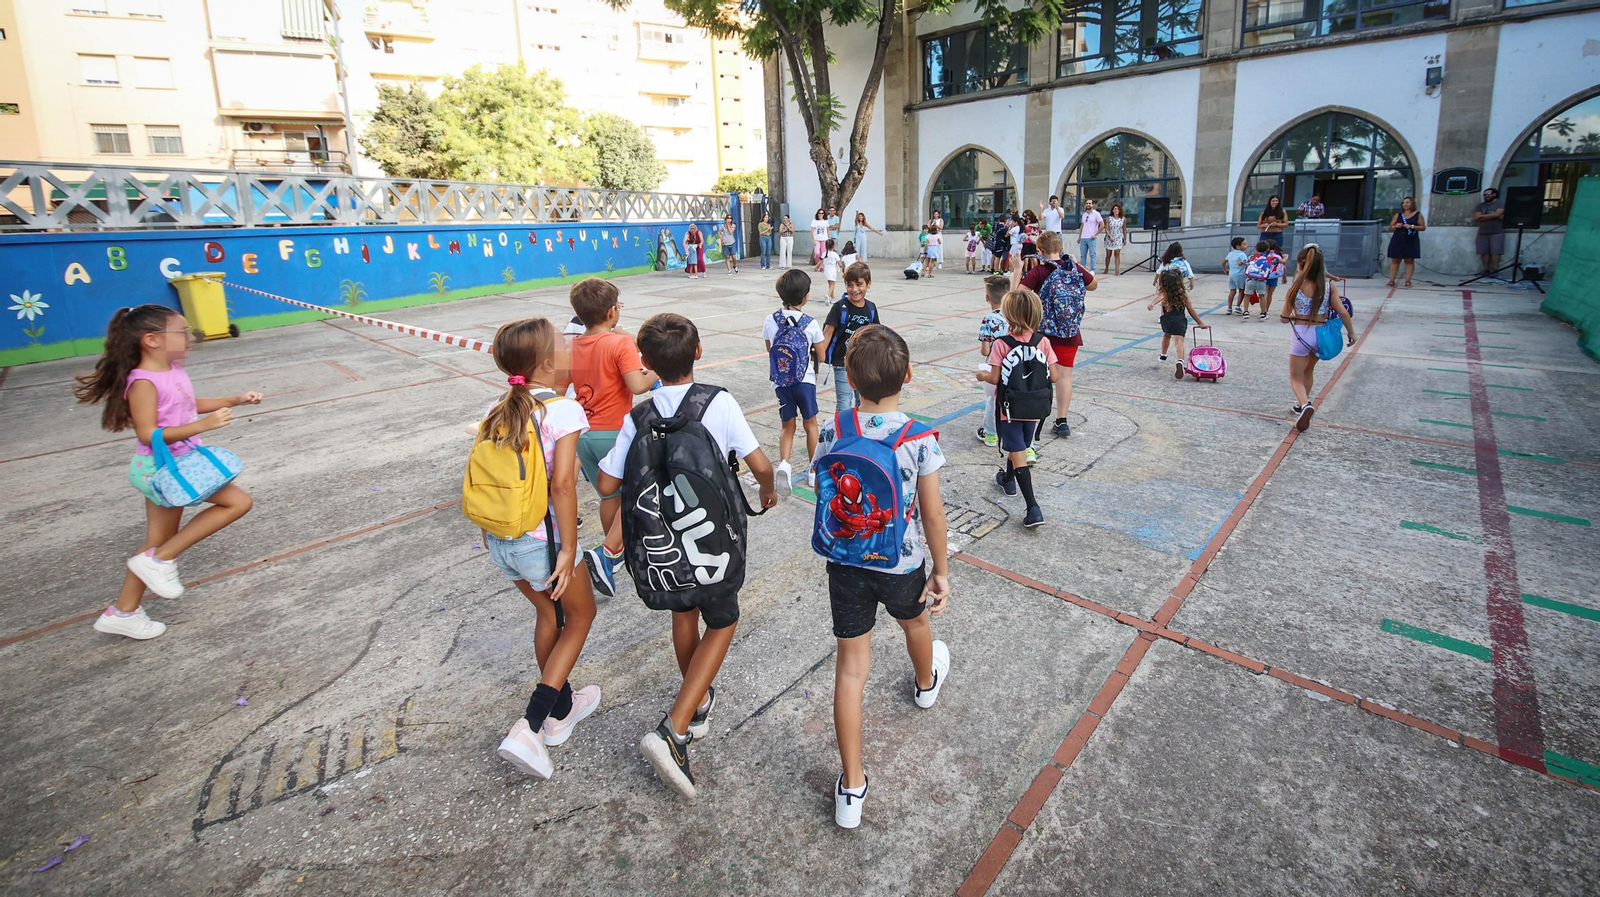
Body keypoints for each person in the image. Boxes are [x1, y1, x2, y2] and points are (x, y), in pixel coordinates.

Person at [595, 313, 778, 799]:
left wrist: (613, 525)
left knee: (684, 613)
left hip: (666, 543)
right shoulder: (717, 403)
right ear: (698, 352)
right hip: (712, 542)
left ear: (647, 366)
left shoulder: (638, 417)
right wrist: (767, 490)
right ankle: (673, 729)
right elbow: (759, 463)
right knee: (722, 620)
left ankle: (696, 703)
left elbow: (607, 482)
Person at [812, 323, 951, 829]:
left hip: (846, 561)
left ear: (848, 375)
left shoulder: (833, 427)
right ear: (909, 374)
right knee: (916, 624)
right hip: (901, 561)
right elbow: (933, 515)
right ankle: (924, 682)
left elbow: (819, 479)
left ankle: (852, 786)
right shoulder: (919, 438)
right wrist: (942, 570)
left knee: (851, 669)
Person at [72, 304, 260, 640]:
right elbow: (147, 433)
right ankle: (162, 560)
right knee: (237, 503)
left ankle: (123, 612)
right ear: (152, 340)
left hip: (177, 464)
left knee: (155, 541)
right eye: (181, 331)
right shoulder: (142, 381)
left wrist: (233, 399)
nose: (189, 337)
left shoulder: (171, 370)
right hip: (163, 468)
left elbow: (186, 404)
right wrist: (202, 426)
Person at [471, 318, 602, 780]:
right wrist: (568, 550)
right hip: (542, 544)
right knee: (581, 616)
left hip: (501, 541)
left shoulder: (497, 408)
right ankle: (530, 724)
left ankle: (562, 709)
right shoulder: (561, 411)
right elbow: (563, 486)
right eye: (562, 349)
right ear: (548, 363)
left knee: (550, 617)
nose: (569, 353)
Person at [566, 278, 654, 598]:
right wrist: (660, 366)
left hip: (584, 436)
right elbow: (638, 385)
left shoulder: (573, 344)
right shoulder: (619, 345)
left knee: (609, 498)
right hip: (614, 433)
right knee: (635, 496)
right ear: (610, 312)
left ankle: (615, 556)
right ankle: (607, 553)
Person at [976, 288, 1055, 528]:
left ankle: (1033, 507)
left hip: (1009, 410)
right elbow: (1056, 376)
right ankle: (1007, 479)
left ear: (1009, 316)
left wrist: (981, 374)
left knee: (1017, 450)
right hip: (1035, 407)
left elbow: (994, 378)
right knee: (1018, 444)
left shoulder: (1001, 344)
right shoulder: (1043, 341)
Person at [1020, 231, 1097, 440]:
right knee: (1064, 377)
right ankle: (1062, 421)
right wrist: (1077, 264)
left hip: (1042, 335)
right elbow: (1093, 284)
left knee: (1036, 376)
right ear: (1061, 249)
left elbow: (1019, 295)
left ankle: (1032, 416)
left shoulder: (1038, 271)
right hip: (1069, 332)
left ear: (1040, 252)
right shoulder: (1073, 269)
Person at [1279, 242, 1355, 432]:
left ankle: (1305, 404)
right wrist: (1351, 332)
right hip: (1320, 333)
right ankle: (1300, 404)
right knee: (1308, 371)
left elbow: (1283, 317)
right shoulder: (1328, 287)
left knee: (1295, 376)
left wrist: (1296, 315)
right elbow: (1343, 312)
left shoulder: (1295, 287)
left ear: (1300, 264)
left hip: (1302, 334)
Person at [765, 270, 828, 491]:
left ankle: (784, 464)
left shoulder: (771, 320)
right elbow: (822, 356)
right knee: (811, 425)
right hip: (805, 381)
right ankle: (813, 472)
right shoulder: (810, 323)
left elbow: (770, 350)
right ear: (806, 296)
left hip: (781, 383)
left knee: (787, 427)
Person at [821, 262, 880, 411]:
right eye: (849, 285)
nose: (854, 289)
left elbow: (877, 335)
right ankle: (843, 431)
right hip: (842, 364)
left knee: (863, 401)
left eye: (859, 284)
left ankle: (860, 430)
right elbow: (827, 334)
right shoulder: (839, 307)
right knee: (844, 402)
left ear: (869, 284)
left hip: (863, 364)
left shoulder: (871, 308)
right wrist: (818, 358)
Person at [1147, 267, 1210, 380]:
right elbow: (1191, 310)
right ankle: (1180, 360)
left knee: (1166, 335)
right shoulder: (1182, 295)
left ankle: (1163, 355)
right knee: (1179, 342)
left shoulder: (1165, 292)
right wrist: (1201, 323)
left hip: (1166, 320)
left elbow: (1161, 296)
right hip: (1179, 321)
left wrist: (1152, 303)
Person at [976, 274, 1008, 447]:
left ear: (987, 297)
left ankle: (990, 434)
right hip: (1014, 363)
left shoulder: (988, 320)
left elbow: (985, 351)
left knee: (992, 399)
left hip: (995, 364)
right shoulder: (1014, 314)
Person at [1386, 196, 1425, 288]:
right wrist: (1396, 226)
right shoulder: (1398, 215)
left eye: (1407, 202)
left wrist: (1411, 226)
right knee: (1395, 259)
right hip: (1398, 239)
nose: (1405, 204)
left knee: (1409, 260)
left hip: (1410, 239)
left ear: (1412, 204)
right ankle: (1391, 280)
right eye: (1403, 203)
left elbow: (1423, 227)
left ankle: (1408, 281)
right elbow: (1390, 227)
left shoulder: (1418, 214)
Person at [1241, 240, 1278, 322]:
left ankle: (1246, 311)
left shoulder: (1252, 257)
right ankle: (1262, 313)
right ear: (1268, 249)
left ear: (1256, 248)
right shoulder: (1269, 258)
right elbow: (1275, 263)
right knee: (1262, 295)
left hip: (1250, 279)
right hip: (1261, 280)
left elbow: (1246, 263)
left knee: (1247, 295)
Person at [1473, 187, 1505, 276]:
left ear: (1494, 194)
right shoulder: (1480, 206)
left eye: (1489, 194)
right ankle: (1486, 270)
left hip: (1497, 231)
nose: (1486, 196)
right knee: (1484, 251)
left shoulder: (1500, 203)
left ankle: (1495, 270)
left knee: (1496, 251)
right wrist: (1493, 215)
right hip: (1483, 231)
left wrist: (1483, 216)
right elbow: (1476, 217)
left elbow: (1499, 214)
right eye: (1485, 194)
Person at [1223, 237, 1250, 316]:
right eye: (1244, 244)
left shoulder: (1230, 253)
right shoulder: (1242, 255)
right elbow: (1245, 262)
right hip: (1240, 275)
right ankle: (1238, 307)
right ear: (1238, 246)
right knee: (1242, 291)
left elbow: (1223, 262)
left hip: (1231, 274)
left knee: (1232, 291)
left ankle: (1229, 307)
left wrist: (1226, 270)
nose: (1246, 246)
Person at [1077, 199, 1104, 274]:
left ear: (1093, 205)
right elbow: (1082, 226)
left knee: (1092, 254)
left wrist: (1096, 234)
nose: (1088, 205)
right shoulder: (1084, 214)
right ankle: (1083, 269)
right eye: (1087, 203)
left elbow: (1102, 224)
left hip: (1091, 238)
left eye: (1090, 203)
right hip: (1083, 237)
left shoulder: (1096, 214)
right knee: (1083, 255)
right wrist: (1079, 237)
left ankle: (1092, 269)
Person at [1102, 203, 1126, 275]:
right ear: (1112, 210)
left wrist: (1125, 238)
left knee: (1117, 254)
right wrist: (1109, 236)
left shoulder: (1123, 219)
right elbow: (1106, 228)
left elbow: (1124, 229)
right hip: (1110, 237)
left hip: (1118, 237)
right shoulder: (1109, 218)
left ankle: (1117, 270)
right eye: (1115, 209)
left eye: (1117, 209)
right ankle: (1106, 268)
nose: (1116, 210)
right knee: (1108, 254)